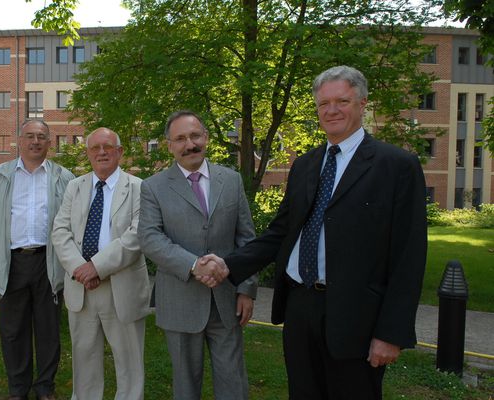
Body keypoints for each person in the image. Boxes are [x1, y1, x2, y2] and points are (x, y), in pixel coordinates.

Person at [201, 65, 427, 399]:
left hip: (356, 317)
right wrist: (228, 265)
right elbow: (281, 232)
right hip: (300, 307)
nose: (331, 110)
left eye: (342, 101)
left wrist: (391, 333)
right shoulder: (306, 164)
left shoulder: (396, 166)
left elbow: (409, 256)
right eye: (323, 104)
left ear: (363, 104)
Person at [137, 110, 258, 400]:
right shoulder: (153, 187)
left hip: (227, 300)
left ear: (205, 137)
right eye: (180, 139)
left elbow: (247, 240)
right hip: (180, 300)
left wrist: (247, 289)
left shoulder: (231, 180)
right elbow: (150, 238)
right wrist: (194, 265)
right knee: (186, 386)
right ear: (169, 146)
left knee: (233, 383)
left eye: (194, 136)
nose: (189, 144)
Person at [52, 127, 150, 400]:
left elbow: (137, 236)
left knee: (129, 361)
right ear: (88, 154)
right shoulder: (76, 186)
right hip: (82, 288)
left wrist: (96, 266)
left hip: (122, 286)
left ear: (120, 152)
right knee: (84, 358)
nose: (102, 152)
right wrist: (80, 270)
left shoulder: (139, 187)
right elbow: (60, 232)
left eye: (108, 147)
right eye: (95, 148)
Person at [0, 120, 75, 400]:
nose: (35, 141)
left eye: (41, 137)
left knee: (48, 328)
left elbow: (70, 221)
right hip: (12, 261)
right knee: (12, 330)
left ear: (50, 142)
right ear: (19, 140)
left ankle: (45, 387)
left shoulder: (63, 177)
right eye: (30, 136)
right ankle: (18, 389)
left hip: (49, 260)